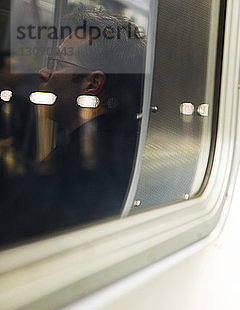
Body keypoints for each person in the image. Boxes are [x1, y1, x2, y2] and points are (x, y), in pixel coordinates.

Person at [0, 7, 146, 246]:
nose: (43, 72)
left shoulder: (83, 167)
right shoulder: (120, 147)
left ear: (92, 83)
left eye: (58, 63)